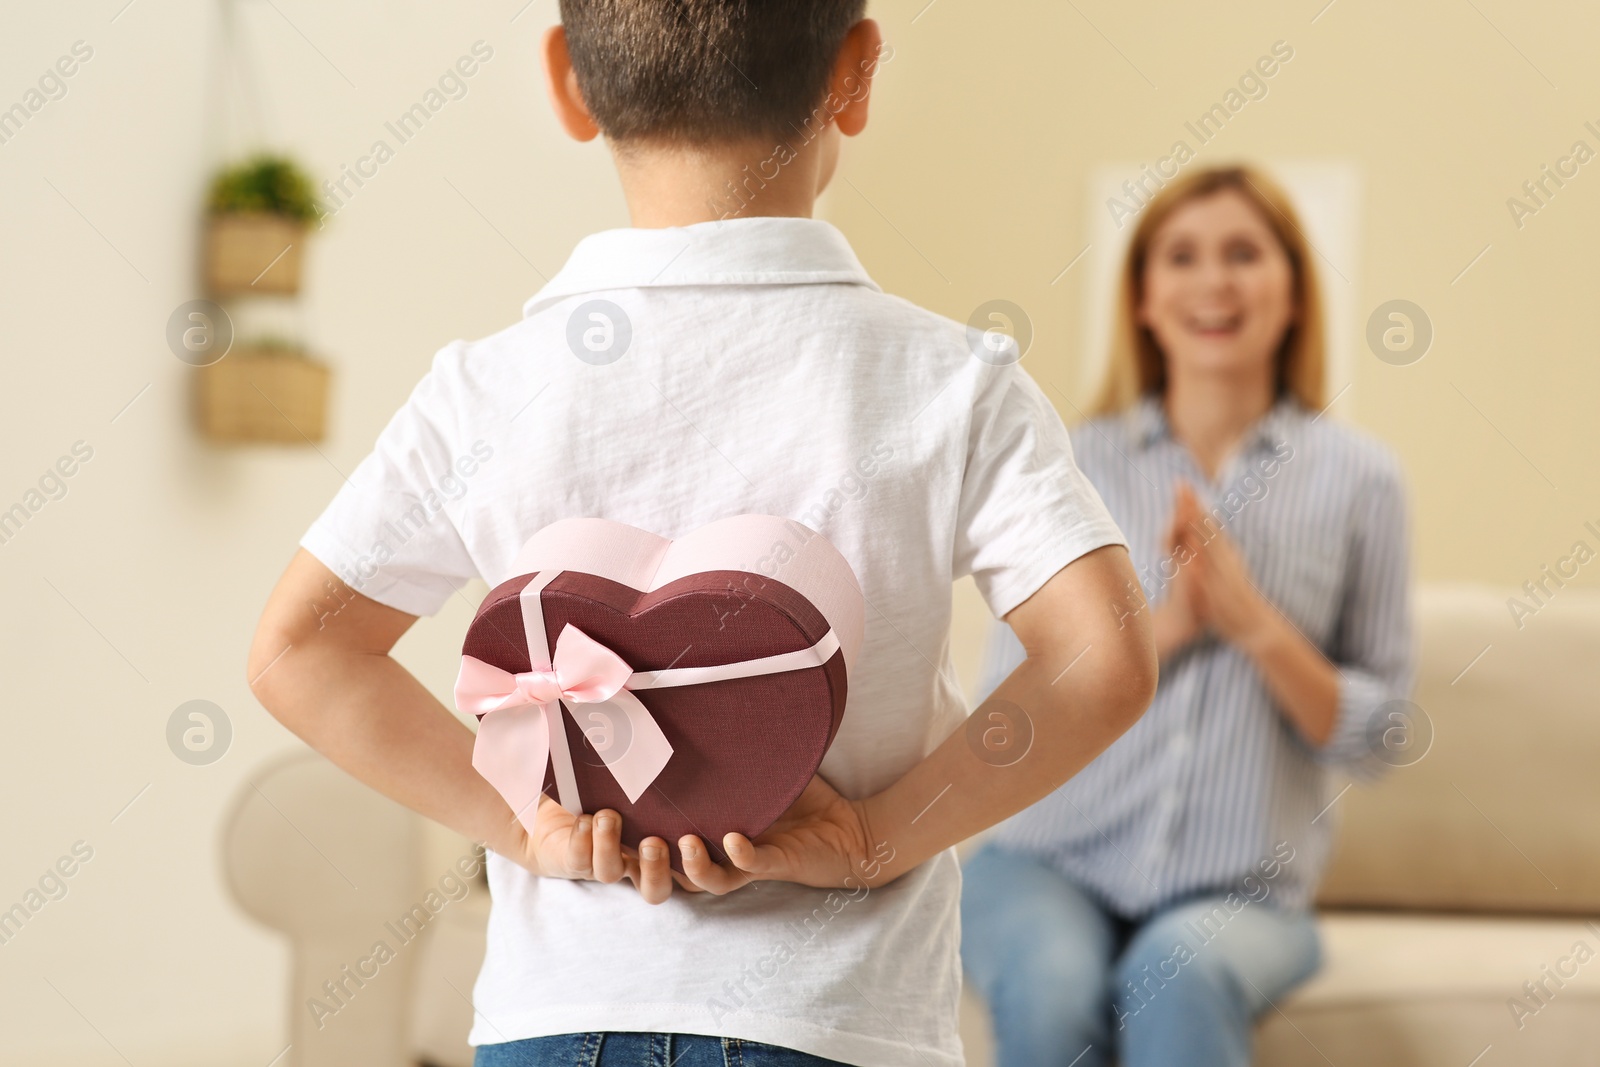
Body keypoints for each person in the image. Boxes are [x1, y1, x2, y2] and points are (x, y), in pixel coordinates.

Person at [247, 5, 1158, 1066]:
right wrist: (875, 835)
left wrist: (524, 826)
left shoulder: (485, 389)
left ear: (568, 84)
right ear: (855, 74)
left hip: (559, 1019)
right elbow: (1104, 656)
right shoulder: (950, 381)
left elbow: (297, 650)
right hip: (835, 1020)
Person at [959, 164, 1414, 1067]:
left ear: (1293, 293)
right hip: (1046, 863)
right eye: (1182, 256)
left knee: (1180, 975)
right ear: (1142, 298)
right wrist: (1163, 625)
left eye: (1244, 253)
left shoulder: (1362, 481)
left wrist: (1253, 623)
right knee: (1053, 990)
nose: (1214, 281)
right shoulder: (1066, 464)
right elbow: (1001, 718)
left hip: (1243, 894)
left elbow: (1385, 736)